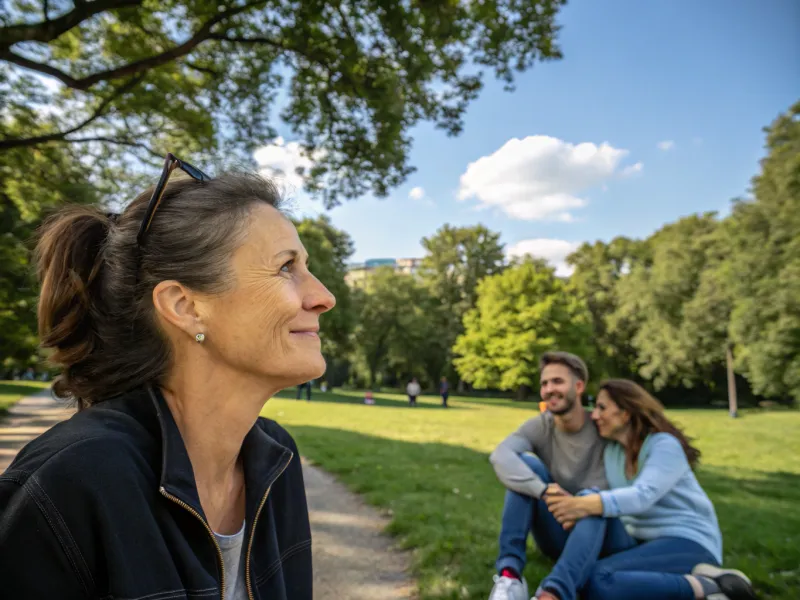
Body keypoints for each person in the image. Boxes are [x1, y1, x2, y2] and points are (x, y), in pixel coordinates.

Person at [0, 155, 335, 600]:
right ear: (185, 306)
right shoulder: (67, 485)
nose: (323, 297)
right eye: (285, 267)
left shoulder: (275, 461)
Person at [533, 380, 756, 600]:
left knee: (598, 580)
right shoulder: (613, 453)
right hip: (637, 541)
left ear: (626, 413)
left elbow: (643, 495)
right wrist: (574, 502)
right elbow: (604, 498)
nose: (594, 415)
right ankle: (554, 592)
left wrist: (583, 503)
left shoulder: (664, 445)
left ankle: (706, 586)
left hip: (687, 541)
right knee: (593, 512)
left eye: (602, 407)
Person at [488, 351, 608, 600]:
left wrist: (583, 504)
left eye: (557, 382)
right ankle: (510, 579)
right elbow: (501, 455)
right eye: (544, 383)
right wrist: (542, 490)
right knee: (524, 466)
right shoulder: (541, 425)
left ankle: (553, 592)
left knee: (592, 501)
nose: (549, 389)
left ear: (578, 386)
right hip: (558, 528)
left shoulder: (603, 426)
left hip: (601, 533)